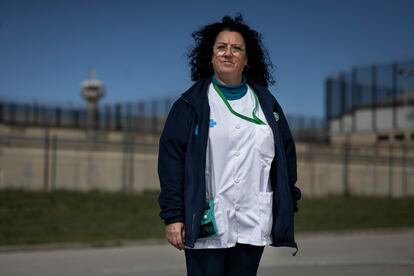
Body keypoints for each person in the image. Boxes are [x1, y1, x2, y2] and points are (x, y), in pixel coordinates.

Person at [158, 14, 301, 276]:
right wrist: (174, 216)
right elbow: (171, 164)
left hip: (252, 218)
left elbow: (286, 157)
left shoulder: (267, 105)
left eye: (237, 48)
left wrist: (287, 201)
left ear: (247, 60)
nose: (228, 53)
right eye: (221, 47)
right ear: (210, 56)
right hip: (207, 222)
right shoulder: (190, 105)